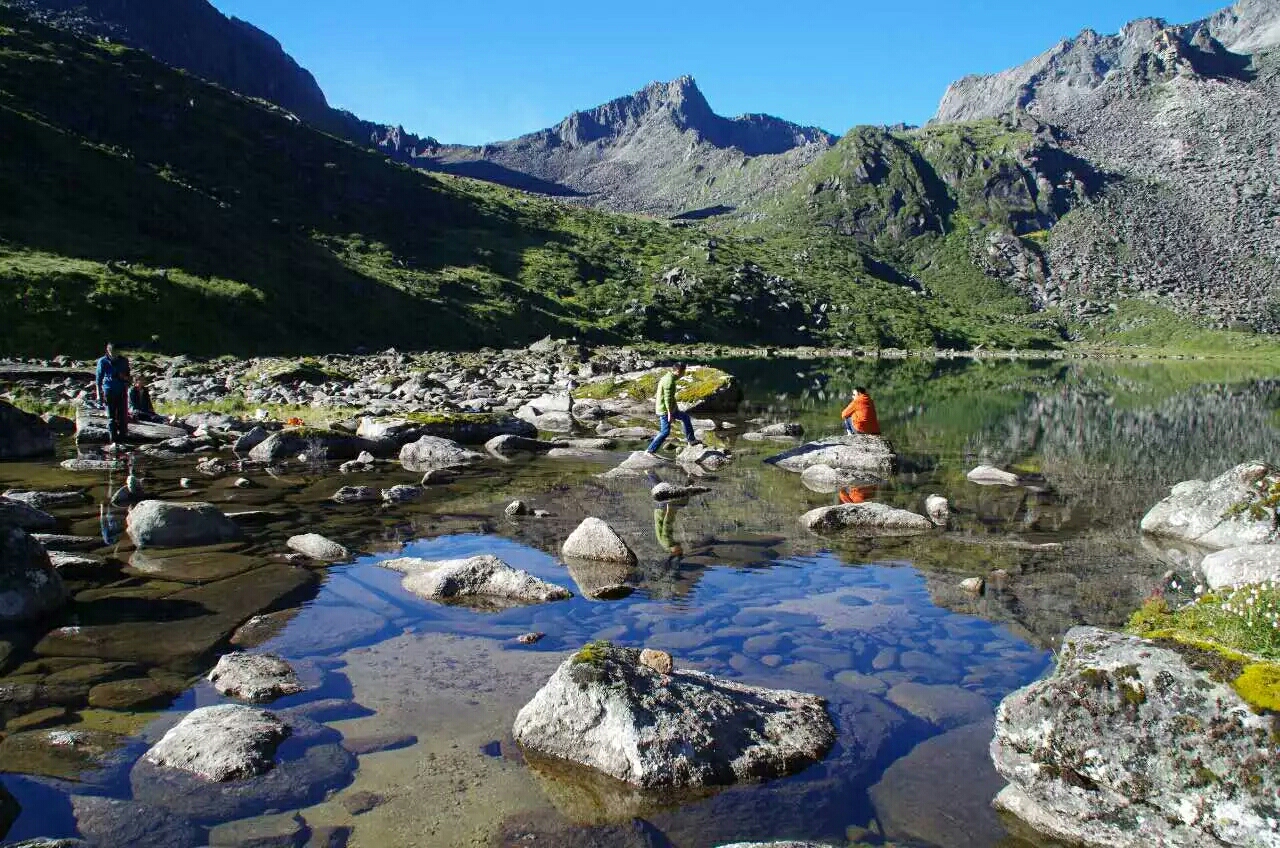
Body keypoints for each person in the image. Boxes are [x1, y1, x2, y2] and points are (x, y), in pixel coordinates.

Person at [646, 363, 701, 454]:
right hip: (665, 410)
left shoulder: (669, 376)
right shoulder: (669, 381)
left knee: (685, 417)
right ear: (679, 371)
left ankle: (691, 440)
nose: (684, 374)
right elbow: (668, 399)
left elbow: (671, 398)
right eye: (684, 372)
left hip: (670, 409)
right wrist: (670, 415)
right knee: (665, 432)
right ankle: (650, 450)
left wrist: (675, 410)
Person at [95, 342, 131, 444]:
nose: (114, 355)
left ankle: (124, 439)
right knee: (111, 418)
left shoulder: (123, 361)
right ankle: (113, 441)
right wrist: (99, 395)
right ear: (108, 351)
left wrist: (123, 377)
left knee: (123, 416)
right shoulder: (102, 361)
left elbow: (129, 378)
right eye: (112, 352)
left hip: (121, 390)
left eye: (116, 352)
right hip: (109, 391)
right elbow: (98, 380)